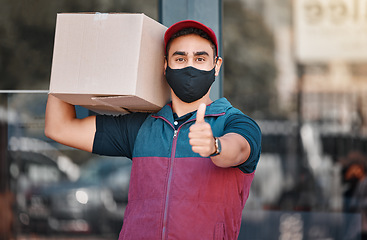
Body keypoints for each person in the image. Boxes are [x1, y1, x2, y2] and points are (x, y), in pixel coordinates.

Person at [45, 19, 261, 240]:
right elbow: (59, 127)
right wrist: (71, 55)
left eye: (200, 58)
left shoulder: (235, 123)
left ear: (216, 66)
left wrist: (215, 146)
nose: (190, 66)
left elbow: (239, 149)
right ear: (165, 65)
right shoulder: (142, 126)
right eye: (180, 58)